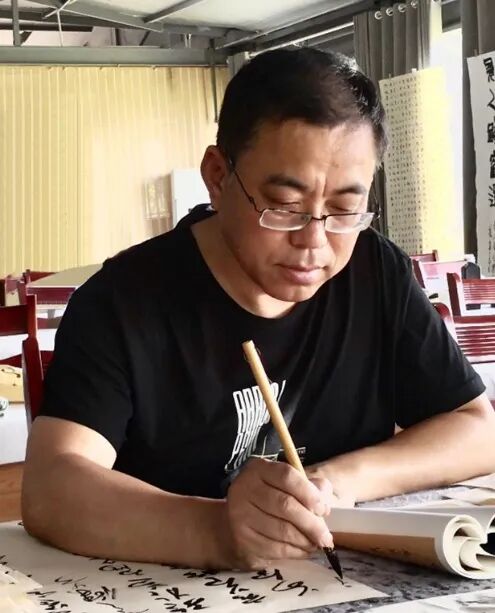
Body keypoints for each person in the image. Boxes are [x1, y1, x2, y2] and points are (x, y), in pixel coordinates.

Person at [22, 48, 495, 572]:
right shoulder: (123, 301)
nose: (314, 242)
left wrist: (333, 483)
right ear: (218, 175)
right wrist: (217, 530)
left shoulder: (374, 271)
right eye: (285, 207)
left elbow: (477, 430)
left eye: (344, 209)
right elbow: (52, 488)